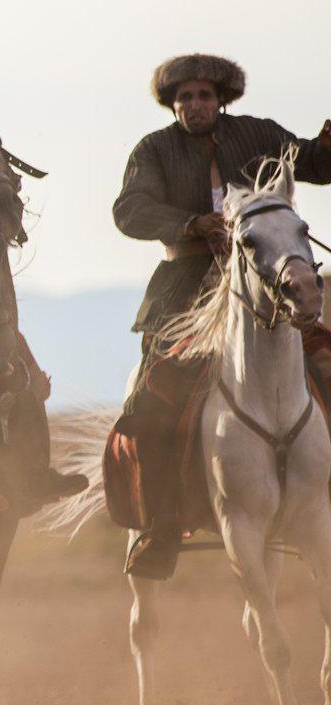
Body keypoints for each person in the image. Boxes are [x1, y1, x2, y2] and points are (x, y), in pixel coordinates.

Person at [112, 53, 331, 578]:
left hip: (267, 288)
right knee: (152, 402)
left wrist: (326, 144)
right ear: (173, 104)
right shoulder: (154, 149)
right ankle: (160, 528)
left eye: (204, 95)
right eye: (184, 97)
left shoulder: (257, 134)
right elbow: (130, 210)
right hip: (183, 293)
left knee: (327, 367)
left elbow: (316, 165)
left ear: (221, 99)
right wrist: (190, 223)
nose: (194, 105)